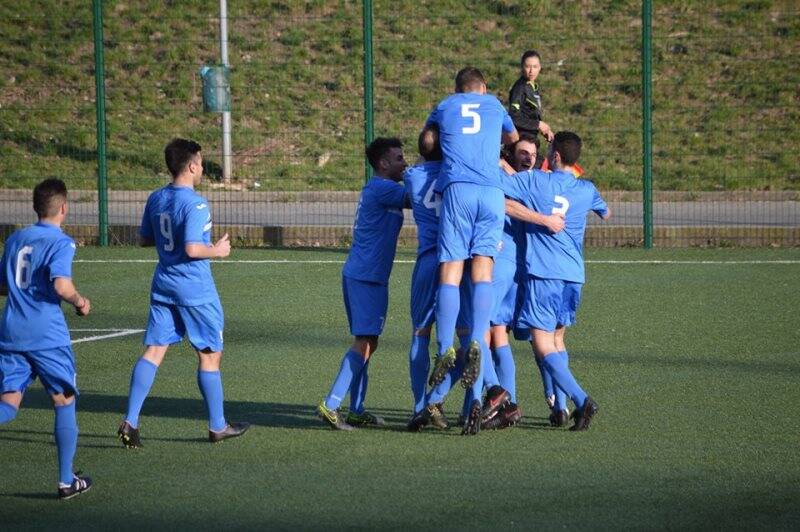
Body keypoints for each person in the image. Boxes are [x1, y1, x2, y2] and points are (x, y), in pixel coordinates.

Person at [118, 138, 249, 447]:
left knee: (154, 351)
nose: (202, 168)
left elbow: (144, 240)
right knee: (209, 354)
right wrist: (217, 251)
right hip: (194, 289)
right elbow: (192, 248)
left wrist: (171, 245)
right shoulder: (197, 203)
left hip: (163, 284)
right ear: (192, 166)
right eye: (201, 163)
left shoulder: (156, 197)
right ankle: (218, 426)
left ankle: (130, 420)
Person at [423, 67, 519, 434]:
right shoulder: (495, 105)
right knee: (483, 271)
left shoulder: (445, 105)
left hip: (458, 189)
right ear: (483, 88)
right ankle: (477, 339)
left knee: (451, 270)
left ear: (458, 88)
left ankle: (447, 346)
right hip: (491, 193)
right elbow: (511, 137)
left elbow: (428, 140)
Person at [503, 131, 610, 430]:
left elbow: (500, 189)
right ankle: (559, 409)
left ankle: (581, 399)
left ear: (556, 156)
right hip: (573, 275)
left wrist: (501, 163)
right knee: (557, 340)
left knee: (541, 343)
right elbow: (606, 213)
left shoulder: (536, 181)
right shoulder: (586, 189)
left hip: (544, 273)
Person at [0, 178, 93, 499]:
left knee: (9, 404)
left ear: (35, 207)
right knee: (63, 401)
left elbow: (3, 284)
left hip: (12, 332)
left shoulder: (15, 239)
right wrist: (80, 302)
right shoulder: (61, 242)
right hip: (47, 336)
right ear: (64, 208)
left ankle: (69, 479)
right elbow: (60, 286)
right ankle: (67, 481)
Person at [318, 137, 408, 430]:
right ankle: (331, 405)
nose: (404, 163)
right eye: (398, 158)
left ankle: (356, 409)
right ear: (382, 164)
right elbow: (418, 196)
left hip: (367, 275)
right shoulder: (384, 188)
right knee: (364, 342)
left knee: (370, 341)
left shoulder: (381, 188)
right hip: (366, 277)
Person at [508, 50, 554, 142]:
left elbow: (530, 114)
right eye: (528, 66)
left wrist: (544, 130)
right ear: (522, 67)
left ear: (540, 67)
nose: (531, 71)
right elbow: (513, 117)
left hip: (531, 139)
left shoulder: (533, 87)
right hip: (520, 142)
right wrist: (538, 124)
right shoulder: (520, 88)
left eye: (535, 67)